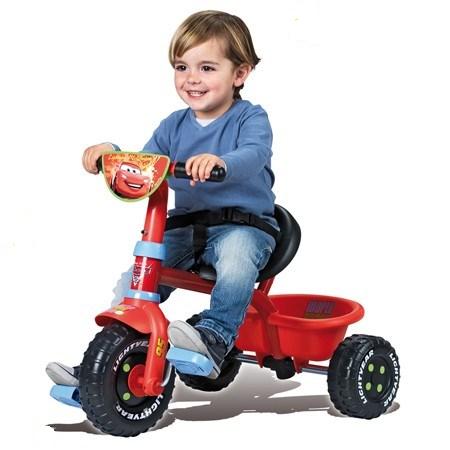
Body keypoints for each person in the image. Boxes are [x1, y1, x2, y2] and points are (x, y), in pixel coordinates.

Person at [46, 9, 279, 384]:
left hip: (243, 227)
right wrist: (111, 153)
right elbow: (146, 165)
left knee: (236, 264)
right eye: (181, 67)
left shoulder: (249, 118)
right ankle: (107, 357)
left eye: (206, 68)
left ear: (239, 74)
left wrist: (221, 162)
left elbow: (254, 154)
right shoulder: (173, 125)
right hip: (185, 229)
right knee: (140, 277)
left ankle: (215, 337)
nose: (191, 78)